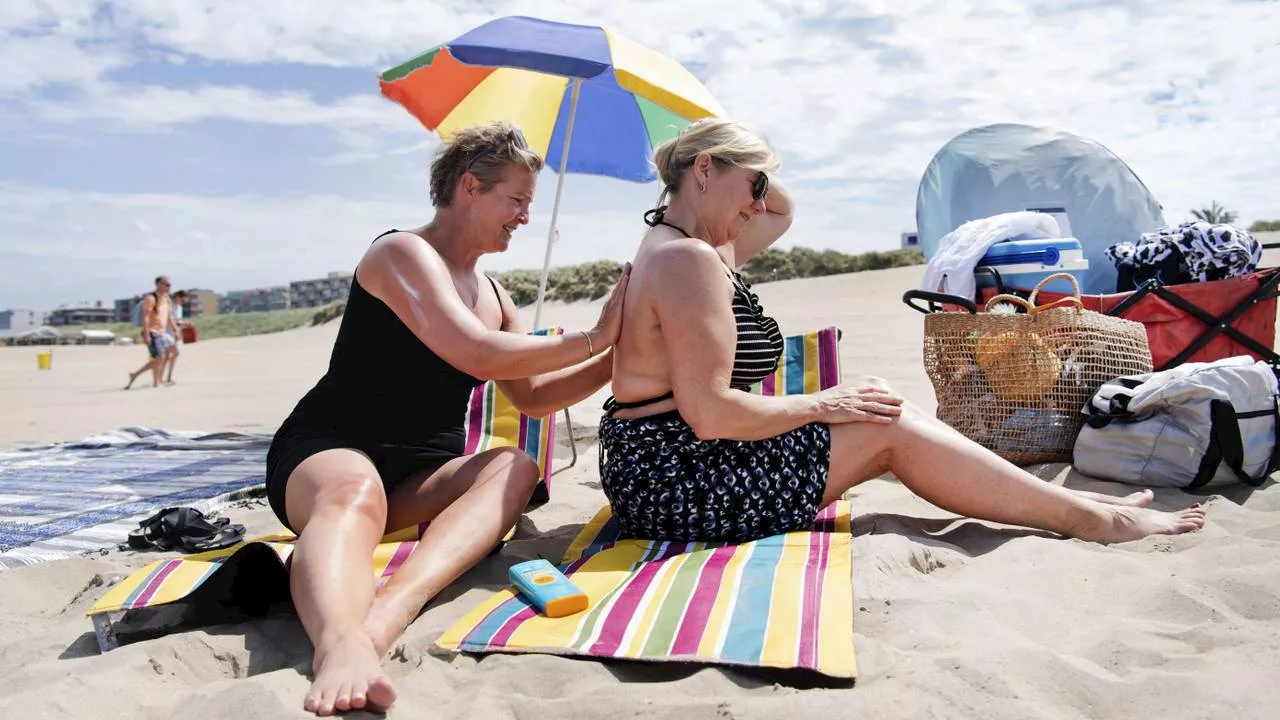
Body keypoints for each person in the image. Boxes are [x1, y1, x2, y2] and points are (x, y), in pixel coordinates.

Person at [599, 117, 1206, 548]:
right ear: (704, 170)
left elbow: (783, 210)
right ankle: (1086, 519)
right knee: (884, 426)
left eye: (760, 189)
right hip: (679, 479)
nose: (760, 205)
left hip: (664, 462)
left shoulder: (686, 243)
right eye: (753, 187)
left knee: (882, 402)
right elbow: (710, 414)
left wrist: (742, 157)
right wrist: (821, 403)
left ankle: (1074, 507)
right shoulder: (690, 261)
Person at [265, 121, 629, 716]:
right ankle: (338, 644)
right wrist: (595, 336)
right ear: (469, 187)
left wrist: (619, 357)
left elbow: (534, 396)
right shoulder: (400, 253)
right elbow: (476, 352)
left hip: (417, 477)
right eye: (515, 200)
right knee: (356, 489)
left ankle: (386, 614)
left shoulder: (496, 293)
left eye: (529, 205)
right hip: (327, 450)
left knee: (515, 465)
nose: (525, 217)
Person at [125, 276, 175, 389]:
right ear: (158, 285)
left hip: (162, 332)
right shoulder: (151, 298)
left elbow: (168, 315)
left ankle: (137, 375)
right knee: (159, 357)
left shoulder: (166, 298)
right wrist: (147, 334)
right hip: (152, 331)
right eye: (166, 284)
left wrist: (174, 329)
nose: (169, 287)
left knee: (168, 354)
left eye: (170, 285)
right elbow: (146, 317)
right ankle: (155, 382)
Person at [163, 289, 188, 385]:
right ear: (177, 297)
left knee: (171, 355)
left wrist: (184, 324)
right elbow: (168, 319)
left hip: (174, 334)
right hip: (166, 333)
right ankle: (163, 377)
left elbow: (177, 321)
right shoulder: (169, 305)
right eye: (182, 301)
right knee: (167, 355)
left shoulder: (179, 307)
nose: (183, 303)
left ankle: (167, 377)